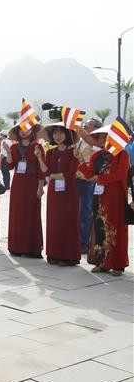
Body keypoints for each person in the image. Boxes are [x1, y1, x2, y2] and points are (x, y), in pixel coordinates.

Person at [77, 125, 130, 276]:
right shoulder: (96, 156)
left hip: (116, 198)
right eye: (100, 138)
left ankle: (118, 264)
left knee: (115, 229)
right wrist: (81, 161)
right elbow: (89, 174)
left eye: (105, 137)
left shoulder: (122, 155)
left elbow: (120, 175)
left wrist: (99, 178)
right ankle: (102, 263)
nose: (102, 140)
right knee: (100, 227)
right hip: (99, 197)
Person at [39, 123, 81, 266]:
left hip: (69, 192)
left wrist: (54, 176)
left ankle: (68, 256)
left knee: (68, 221)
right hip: (54, 193)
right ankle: (54, 253)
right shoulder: (50, 152)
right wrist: (39, 157)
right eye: (55, 133)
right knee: (54, 220)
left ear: (67, 135)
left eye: (61, 133)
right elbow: (45, 171)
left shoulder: (73, 152)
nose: (58, 136)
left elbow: (70, 174)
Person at [4, 120, 45, 258]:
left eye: (27, 129)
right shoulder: (15, 148)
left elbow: (41, 170)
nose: (24, 131)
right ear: (17, 132)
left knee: (31, 214)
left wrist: (40, 187)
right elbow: (10, 166)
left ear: (32, 131)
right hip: (18, 185)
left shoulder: (38, 147)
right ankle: (16, 247)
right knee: (17, 214)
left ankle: (31, 249)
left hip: (32, 184)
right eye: (21, 129)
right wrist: (8, 153)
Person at [75, 118, 102, 253]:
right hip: (76, 179)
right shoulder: (81, 141)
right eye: (84, 125)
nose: (85, 127)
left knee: (85, 212)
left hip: (88, 182)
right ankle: (77, 240)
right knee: (77, 212)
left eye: (88, 125)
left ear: (96, 128)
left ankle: (84, 243)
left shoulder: (97, 143)